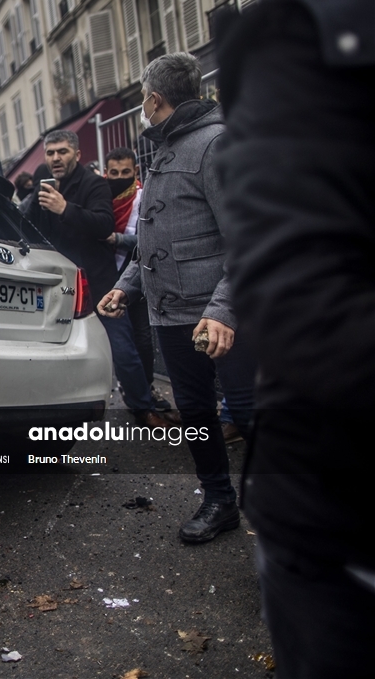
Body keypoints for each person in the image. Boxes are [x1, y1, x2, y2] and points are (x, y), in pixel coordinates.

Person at [219, 0, 375, 674]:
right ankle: (214, 496)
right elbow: (287, 279)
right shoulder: (303, 50)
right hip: (338, 521)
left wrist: (220, 302)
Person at [98, 52, 256, 544]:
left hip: (220, 319)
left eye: (143, 100)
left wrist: (224, 309)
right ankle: (219, 501)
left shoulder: (217, 143)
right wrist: (125, 287)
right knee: (195, 413)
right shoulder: (167, 147)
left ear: (152, 99)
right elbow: (158, 237)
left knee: (250, 413)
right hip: (174, 317)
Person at [25, 131, 169, 428]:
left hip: (99, 278)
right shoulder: (44, 189)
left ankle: (141, 405)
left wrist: (65, 209)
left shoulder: (94, 184)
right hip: (60, 281)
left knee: (122, 345)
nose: (55, 158)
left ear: (77, 154)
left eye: (62, 152)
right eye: (50, 153)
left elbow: (103, 224)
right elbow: (31, 228)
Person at [104, 147, 173, 413]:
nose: (119, 177)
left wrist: (117, 240)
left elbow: (149, 237)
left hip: (139, 276)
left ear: (135, 172)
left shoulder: (144, 198)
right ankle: (134, 391)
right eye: (114, 172)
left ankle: (147, 387)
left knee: (143, 338)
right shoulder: (100, 199)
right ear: (106, 173)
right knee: (123, 343)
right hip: (110, 279)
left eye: (125, 172)